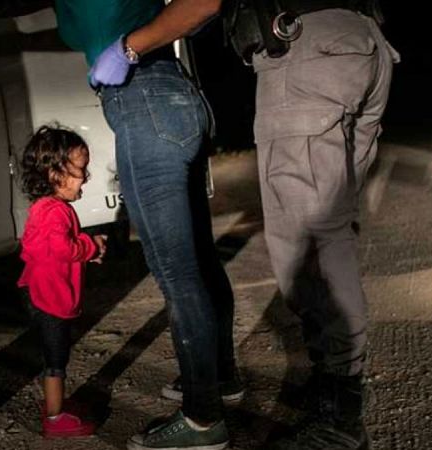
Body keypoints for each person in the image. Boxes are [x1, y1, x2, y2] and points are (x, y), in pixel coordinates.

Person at [87, 0, 399, 448]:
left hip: (307, 48)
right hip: (360, 39)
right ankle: (333, 388)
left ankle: (339, 419)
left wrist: (129, 47)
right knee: (332, 231)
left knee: (308, 243)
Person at [55, 1, 244, 449]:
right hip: (174, 96)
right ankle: (219, 379)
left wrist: (126, 50)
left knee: (177, 272)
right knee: (198, 259)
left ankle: (202, 420)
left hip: (143, 102)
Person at [17, 124, 107, 438]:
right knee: (56, 359)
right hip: (48, 299)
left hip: (39, 293)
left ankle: (55, 405)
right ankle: (54, 418)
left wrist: (86, 251)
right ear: (55, 174)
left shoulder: (46, 208)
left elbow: (49, 249)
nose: (86, 177)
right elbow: (62, 249)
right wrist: (90, 246)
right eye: (81, 170)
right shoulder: (54, 212)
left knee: (53, 355)